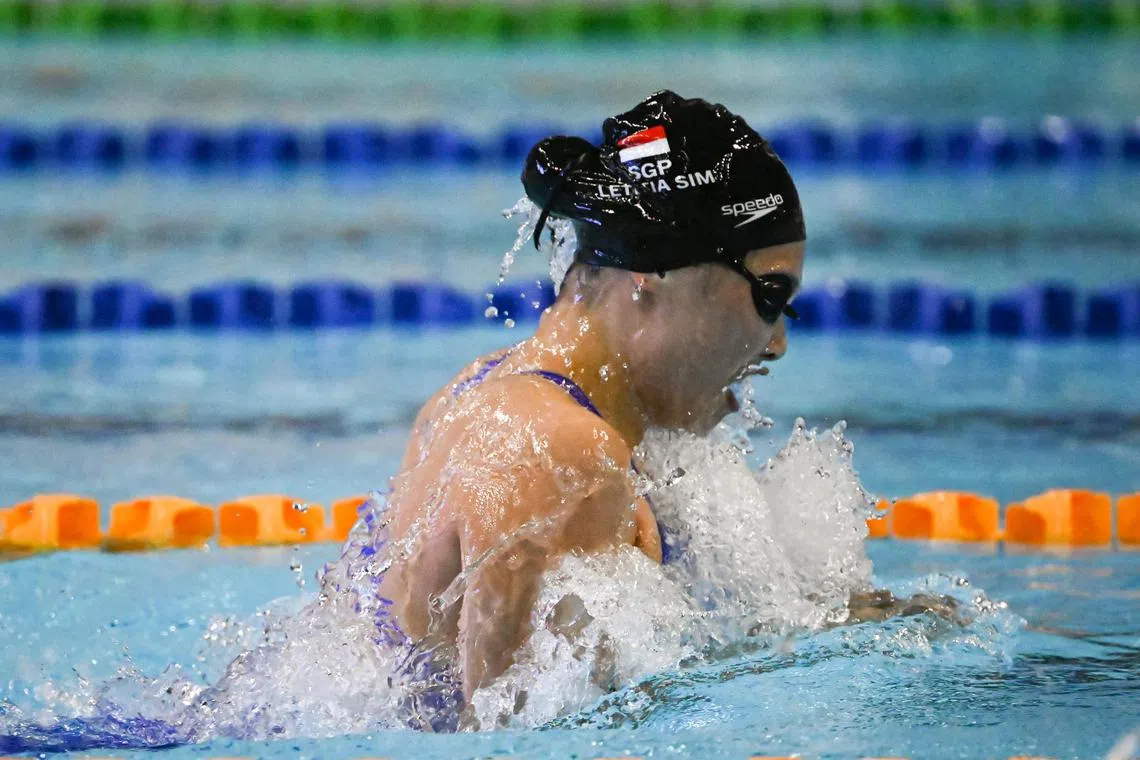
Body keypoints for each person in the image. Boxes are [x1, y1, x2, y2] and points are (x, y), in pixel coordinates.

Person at [372, 91, 938, 716]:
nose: (775, 342)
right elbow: (511, 739)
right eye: (770, 295)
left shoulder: (482, 388)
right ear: (656, 272)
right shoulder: (556, 451)